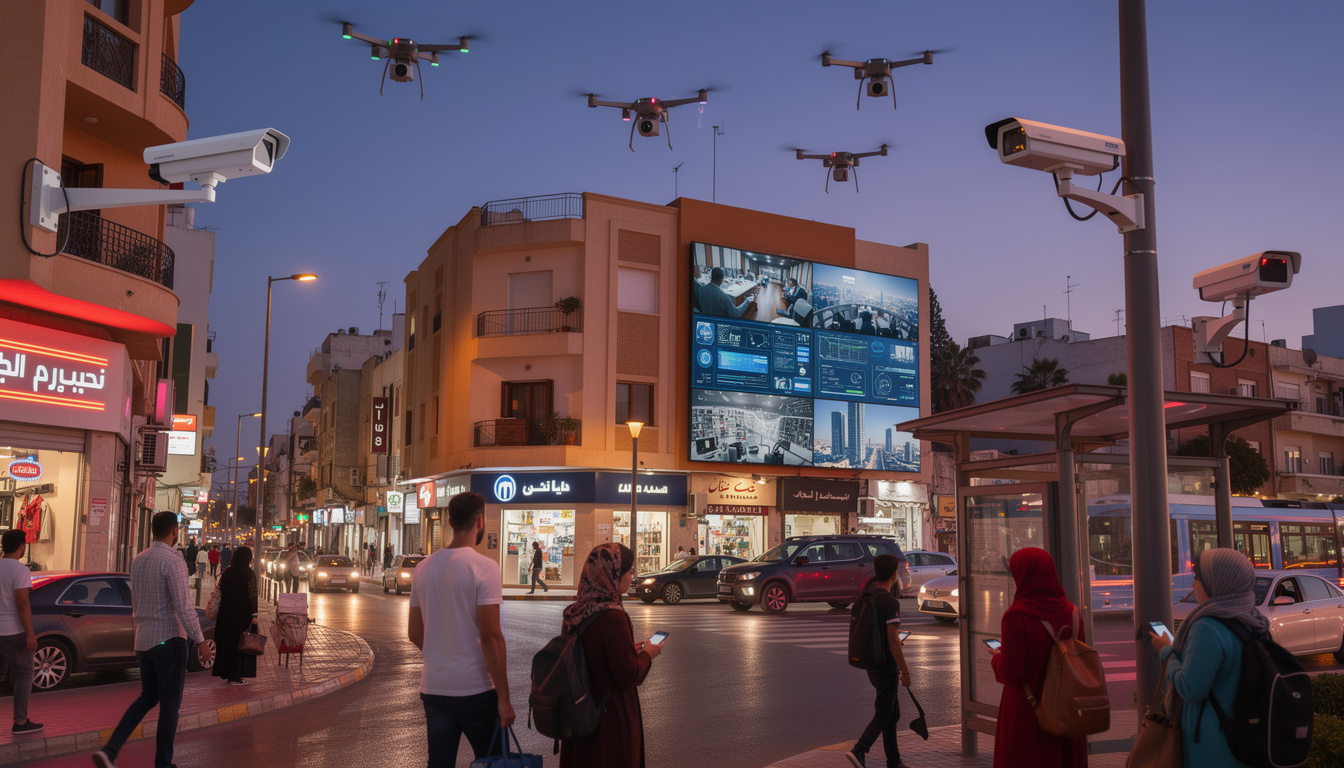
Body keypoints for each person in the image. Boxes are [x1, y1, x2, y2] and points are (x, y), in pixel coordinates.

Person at [93, 511, 208, 768]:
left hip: (143, 641)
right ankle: (163, 764)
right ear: (175, 531)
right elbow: (183, 606)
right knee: (170, 707)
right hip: (168, 640)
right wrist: (200, 640)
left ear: (153, 530)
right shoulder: (173, 560)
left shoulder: (139, 560)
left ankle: (110, 750)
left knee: (148, 697)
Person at [408, 492, 513, 766]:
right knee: (493, 761)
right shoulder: (485, 568)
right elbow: (491, 636)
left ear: (450, 522)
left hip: (434, 688)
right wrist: (504, 698)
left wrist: (442, 653)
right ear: (480, 521)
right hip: (476, 690)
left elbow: (414, 633)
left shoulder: (422, 568)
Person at [1149, 548, 1267, 767]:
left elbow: (1191, 688)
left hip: (1211, 742)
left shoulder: (1206, 627)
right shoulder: (1255, 621)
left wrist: (1166, 651)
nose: (1193, 586)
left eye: (1197, 579)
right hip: (1246, 736)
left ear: (1217, 583)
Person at [559, 543, 663, 768]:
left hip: (578, 717)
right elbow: (628, 674)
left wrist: (628, 649)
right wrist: (647, 654)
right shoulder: (614, 617)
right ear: (614, 575)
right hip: (608, 722)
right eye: (630, 571)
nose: (632, 577)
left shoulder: (574, 613)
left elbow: (589, 657)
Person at [988, 547, 1087, 768]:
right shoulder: (1072, 613)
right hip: (1065, 711)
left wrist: (996, 658)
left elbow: (1012, 673)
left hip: (1028, 712)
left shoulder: (1016, 616)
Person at [846, 554, 911, 768]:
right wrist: (905, 671)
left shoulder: (868, 597)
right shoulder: (890, 602)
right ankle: (860, 750)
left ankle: (894, 762)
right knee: (884, 714)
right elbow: (893, 640)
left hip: (871, 663)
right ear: (894, 575)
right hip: (887, 667)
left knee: (891, 715)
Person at [0, 529, 41, 735]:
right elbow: (22, 602)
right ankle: (21, 722)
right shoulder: (20, 570)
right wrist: (30, 634)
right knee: (24, 674)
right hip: (13, 631)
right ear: (22, 547)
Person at [212, 546, 259, 686]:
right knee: (241, 643)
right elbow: (252, 595)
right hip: (242, 614)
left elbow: (220, 591)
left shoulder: (227, 572)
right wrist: (254, 615)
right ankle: (236, 676)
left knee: (228, 643)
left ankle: (228, 673)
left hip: (226, 614)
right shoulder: (249, 573)